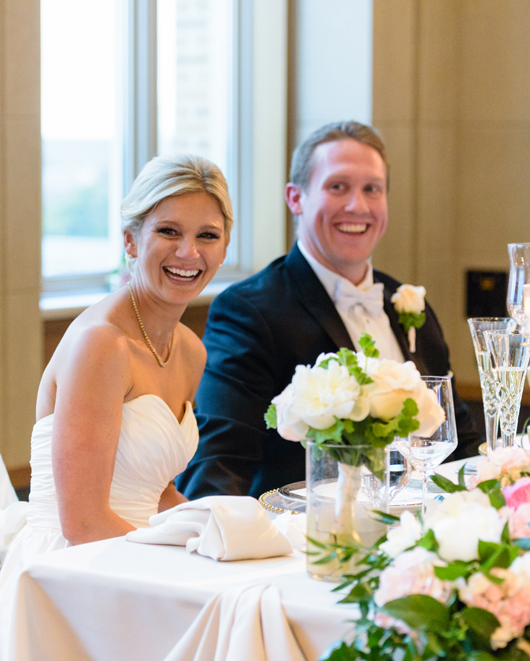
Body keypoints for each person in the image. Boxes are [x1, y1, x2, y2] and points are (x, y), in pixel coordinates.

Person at [0, 154, 234, 661]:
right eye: (168, 231)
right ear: (130, 240)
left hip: (134, 557)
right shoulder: (103, 344)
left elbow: (156, 491)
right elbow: (84, 522)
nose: (189, 252)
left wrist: (227, 530)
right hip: (72, 575)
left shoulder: (190, 350)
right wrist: (189, 562)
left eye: (207, 236)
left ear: (225, 246)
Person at [178, 120, 480, 500]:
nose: (358, 206)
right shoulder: (249, 311)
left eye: (372, 189)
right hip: (306, 540)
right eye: (338, 187)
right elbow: (217, 464)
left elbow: (459, 440)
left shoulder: (406, 301)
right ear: (295, 198)